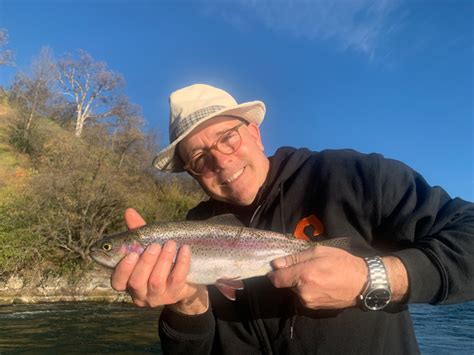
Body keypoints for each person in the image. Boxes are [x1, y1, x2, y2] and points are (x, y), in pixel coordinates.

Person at [110, 84, 474, 354]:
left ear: (254, 132)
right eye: (200, 158)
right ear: (192, 174)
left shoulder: (349, 176)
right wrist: (186, 305)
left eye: (228, 138)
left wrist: (373, 277)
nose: (220, 160)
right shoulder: (192, 231)